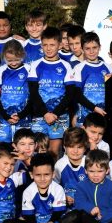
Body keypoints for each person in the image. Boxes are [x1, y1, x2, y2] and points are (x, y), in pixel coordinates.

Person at [28, 26, 75, 157]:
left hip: (59, 116)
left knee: (54, 152)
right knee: (37, 152)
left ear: (60, 45)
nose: (48, 48)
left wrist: (55, 113)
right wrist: (45, 113)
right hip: (40, 115)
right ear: (41, 45)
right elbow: (33, 92)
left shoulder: (66, 66)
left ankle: (53, 177)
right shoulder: (35, 65)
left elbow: (70, 94)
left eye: (52, 45)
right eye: (45, 45)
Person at [59, 149, 112, 223]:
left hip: (105, 219)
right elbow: (78, 203)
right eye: (91, 171)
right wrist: (90, 208)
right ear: (85, 171)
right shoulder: (81, 185)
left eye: (100, 171)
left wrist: (102, 217)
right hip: (87, 217)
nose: (95, 175)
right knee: (74, 214)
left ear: (107, 170)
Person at [17, 153, 68, 223]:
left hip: (52, 222)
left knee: (73, 216)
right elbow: (28, 215)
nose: (42, 179)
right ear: (31, 175)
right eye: (38, 175)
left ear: (53, 174)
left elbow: (58, 213)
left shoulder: (58, 189)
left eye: (46, 174)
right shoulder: (28, 191)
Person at [0, 40, 31, 143]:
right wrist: (5, 116)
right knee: (3, 149)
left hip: (23, 117)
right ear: (4, 56)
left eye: (16, 59)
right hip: (4, 118)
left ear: (22, 54)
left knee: (23, 146)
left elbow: (33, 95)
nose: (13, 63)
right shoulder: (0, 71)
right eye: (9, 60)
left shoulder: (29, 69)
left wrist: (21, 115)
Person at [72, 32, 110, 124]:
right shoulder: (78, 68)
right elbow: (77, 95)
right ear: (82, 49)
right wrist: (94, 108)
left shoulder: (108, 67)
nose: (91, 51)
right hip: (85, 116)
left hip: (103, 115)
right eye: (87, 48)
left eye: (94, 48)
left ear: (100, 47)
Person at [54, 127, 88, 208]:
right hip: (66, 207)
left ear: (85, 148)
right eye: (71, 146)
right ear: (65, 147)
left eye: (79, 147)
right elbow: (54, 188)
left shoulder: (89, 162)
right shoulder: (60, 165)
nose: (75, 151)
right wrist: (64, 198)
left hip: (87, 205)